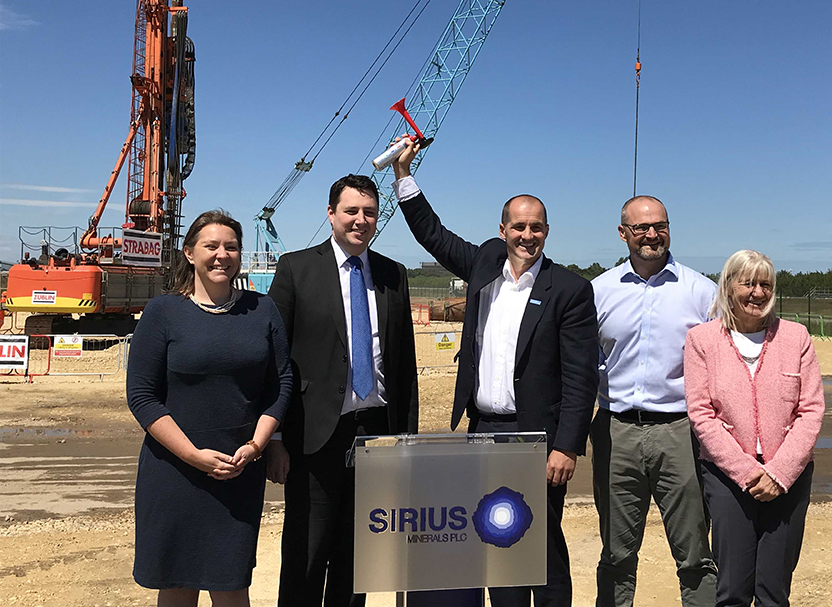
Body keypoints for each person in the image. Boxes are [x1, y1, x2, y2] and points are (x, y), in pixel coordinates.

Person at [390, 139, 599, 607]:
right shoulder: (485, 262)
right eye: (519, 226)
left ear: (547, 231)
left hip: (536, 438)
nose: (527, 235)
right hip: (483, 430)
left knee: (541, 548)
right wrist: (404, 175)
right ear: (502, 229)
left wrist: (566, 445)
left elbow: (582, 377)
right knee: (495, 537)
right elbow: (434, 234)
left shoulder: (569, 289)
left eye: (536, 227)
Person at [265, 174, 418, 607]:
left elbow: (404, 367)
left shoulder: (393, 274)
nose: (360, 220)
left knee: (359, 559)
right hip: (314, 437)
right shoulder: (297, 269)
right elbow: (275, 360)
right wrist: (274, 437)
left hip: (377, 435)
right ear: (331, 214)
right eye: (351, 211)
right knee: (306, 556)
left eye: (369, 212)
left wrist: (406, 440)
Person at [126, 210, 293, 607]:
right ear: (188, 253)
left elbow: (280, 382)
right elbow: (142, 396)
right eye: (211, 246)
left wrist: (258, 445)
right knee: (178, 584)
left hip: (237, 469)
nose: (222, 255)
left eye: (231, 246)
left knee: (231, 584)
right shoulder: (163, 312)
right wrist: (193, 456)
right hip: (174, 470)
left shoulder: (262, 309)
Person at [590, 196, 718, 607]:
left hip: (681, 433)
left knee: (695, 556)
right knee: (615, 554)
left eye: (659, 226)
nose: (651, 234)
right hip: (615, 431)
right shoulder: (598, 292)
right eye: (641, 227)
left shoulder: (702, 293)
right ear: (622, 232)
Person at [684, 250, 824, 607]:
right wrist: (747, 471)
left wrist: (779, 473)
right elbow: (702, 415)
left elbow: (811, 410)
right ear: (729, 286)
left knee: (774, 590)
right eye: (748, 283)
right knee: (732, 588)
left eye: (765, 284)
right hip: (728, 479)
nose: (757, 293)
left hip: (788, 479)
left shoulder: (796, 337)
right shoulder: (702, 340)